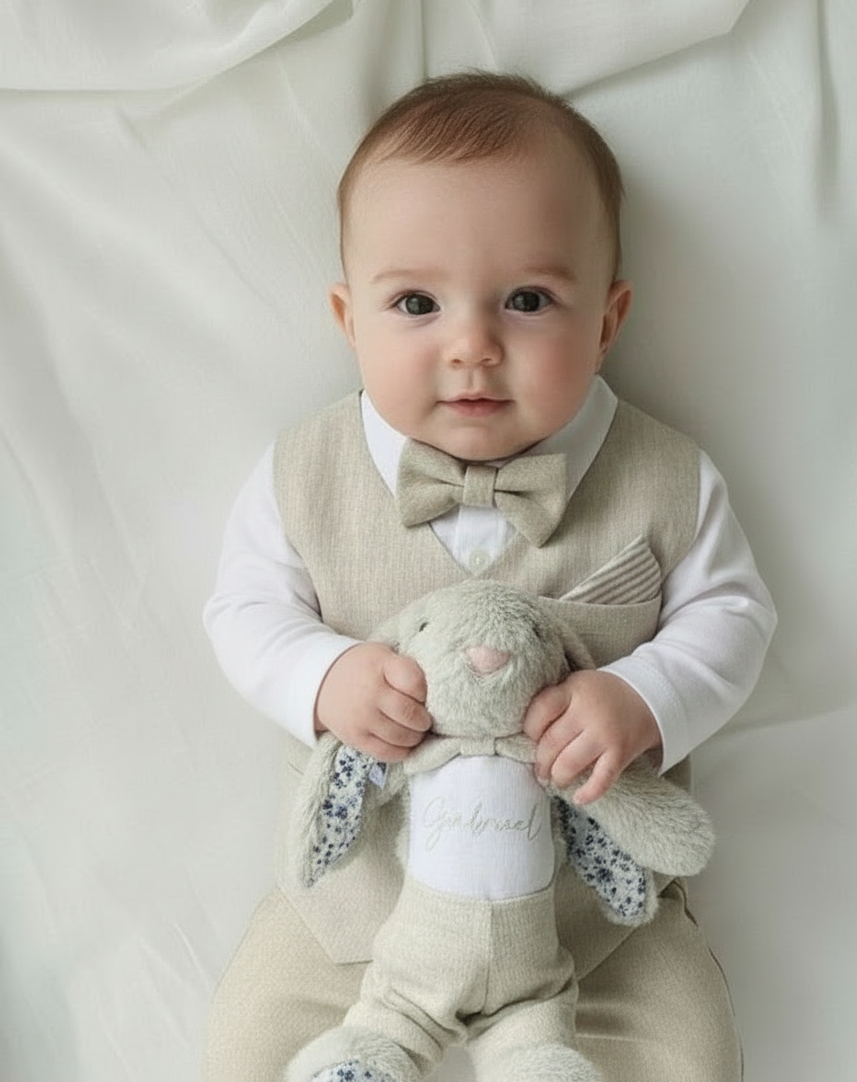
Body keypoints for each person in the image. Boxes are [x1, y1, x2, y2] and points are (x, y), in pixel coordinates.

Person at [202, 71, 777, 1082]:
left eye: (528, 300)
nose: (472, 345)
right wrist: (322, 676)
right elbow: (244, 609)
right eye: (416, 302)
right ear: (349, 316)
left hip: (598, 920)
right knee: (251, 1043)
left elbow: (734, 613)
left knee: (686, 1049)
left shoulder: (667, 475)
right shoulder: (307, 471)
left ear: (607, 318)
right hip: (356, 907)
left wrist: (643, 697)